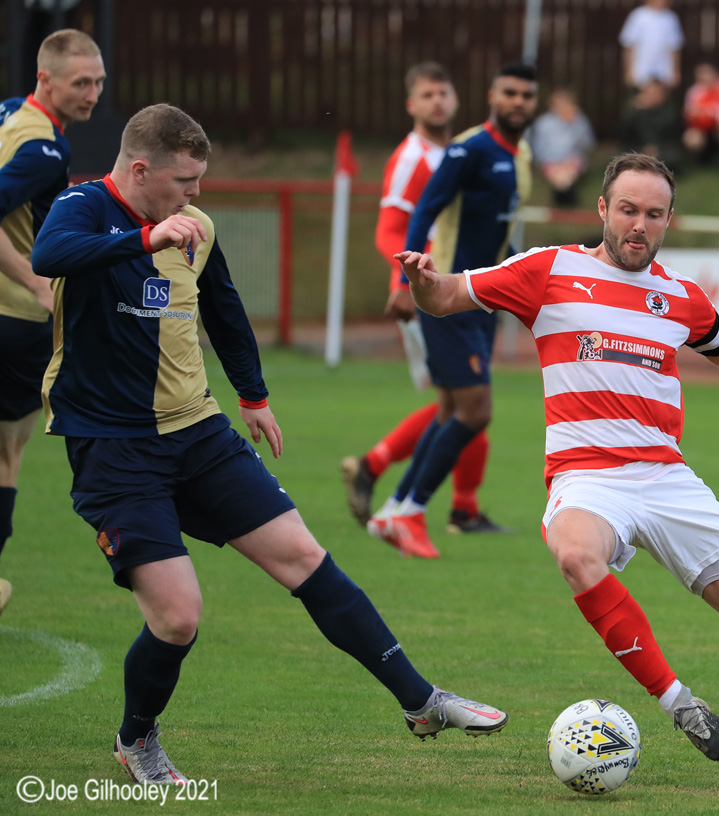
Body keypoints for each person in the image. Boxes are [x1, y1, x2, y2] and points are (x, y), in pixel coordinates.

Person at [31, 103, 508, 784]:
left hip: (198, 432)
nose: (196, 195)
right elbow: (47, 256)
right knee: (177, 616)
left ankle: (421, 700)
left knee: (304, 557)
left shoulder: (198, 226)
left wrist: (253, 396)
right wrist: (145, 239)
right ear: (141, 170)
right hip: (113, 445)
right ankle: (136, 740)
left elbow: (223, 307)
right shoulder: (82, 206)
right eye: (185, 181)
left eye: (200, 181)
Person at [395, 152, 719, 780]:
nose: (639, 225)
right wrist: (421, 279)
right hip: (587, 477)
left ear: (668, 221)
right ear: (604, 209)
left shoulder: (681, 297)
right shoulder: (550, 270)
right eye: (628, 210)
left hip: (666, 478)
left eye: (654, 215)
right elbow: (445, 296)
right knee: (578, 554)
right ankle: (681, 705)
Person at [366, 63, 538, 559]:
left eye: (527, 95)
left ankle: (392, 511)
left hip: (486, 297)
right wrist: (406, 279)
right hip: (450, 298)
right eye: (509, 93)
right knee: (475, 410)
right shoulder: (469, 149)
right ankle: (413, 511)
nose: (518, 102)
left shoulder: (519, 152)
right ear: (491, 96)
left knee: (449, 411)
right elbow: (421, 211)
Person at [341, 62, 504, 540]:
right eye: (427, 94)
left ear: (456, 98)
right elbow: (390, 229)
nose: (438, 101)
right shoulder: (412, 157)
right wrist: (404, 281)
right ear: (411, 105)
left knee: (461, 400)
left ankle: (448, 502)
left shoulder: (461, 151)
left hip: (460, 290)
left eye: (444, 92)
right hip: (429, 294)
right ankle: (450, 505)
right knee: (466, 401)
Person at [0, 28, 106, 617]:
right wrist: (38, 283)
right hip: (13, 321)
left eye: (98, 82)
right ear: (46, 79)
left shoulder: (10, 115)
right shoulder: (44, 150)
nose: (92, 94)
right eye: (81, 83)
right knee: (6, 456)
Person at [530, 88, 595, 207]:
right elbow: (539, 149)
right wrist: (555, 162)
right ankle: (566, 193)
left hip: (572, 161)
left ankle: (562, 193)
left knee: (568, 171)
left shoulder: (579, 121)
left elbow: (587, 145)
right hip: (551, 162)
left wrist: (575, 125)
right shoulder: (544, 123)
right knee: (560, 174)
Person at [682, 63, 719, 172]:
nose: (704, 77)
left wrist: (707, 112)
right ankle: (703, 157)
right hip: (701, 126)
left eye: (706, 73)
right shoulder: (694, 91)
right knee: (691, 139)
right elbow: (689, 112)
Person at [619, 79, 683, 172]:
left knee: (673, 157)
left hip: (663, 150)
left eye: (656, 93)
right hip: (639, 149)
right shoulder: (636, 113)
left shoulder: (670, 113)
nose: (652, 96)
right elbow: (624, 135)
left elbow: (674, 140)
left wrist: (657, 149)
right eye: (649, 93)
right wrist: (633, 111)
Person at [619, 0, 684, 91]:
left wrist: (676, 71)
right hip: (641, 68)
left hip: (664, 70)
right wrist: (628, 71)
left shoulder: (671, 18)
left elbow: (675, 47)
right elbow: (628, 45)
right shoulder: (638, 16)